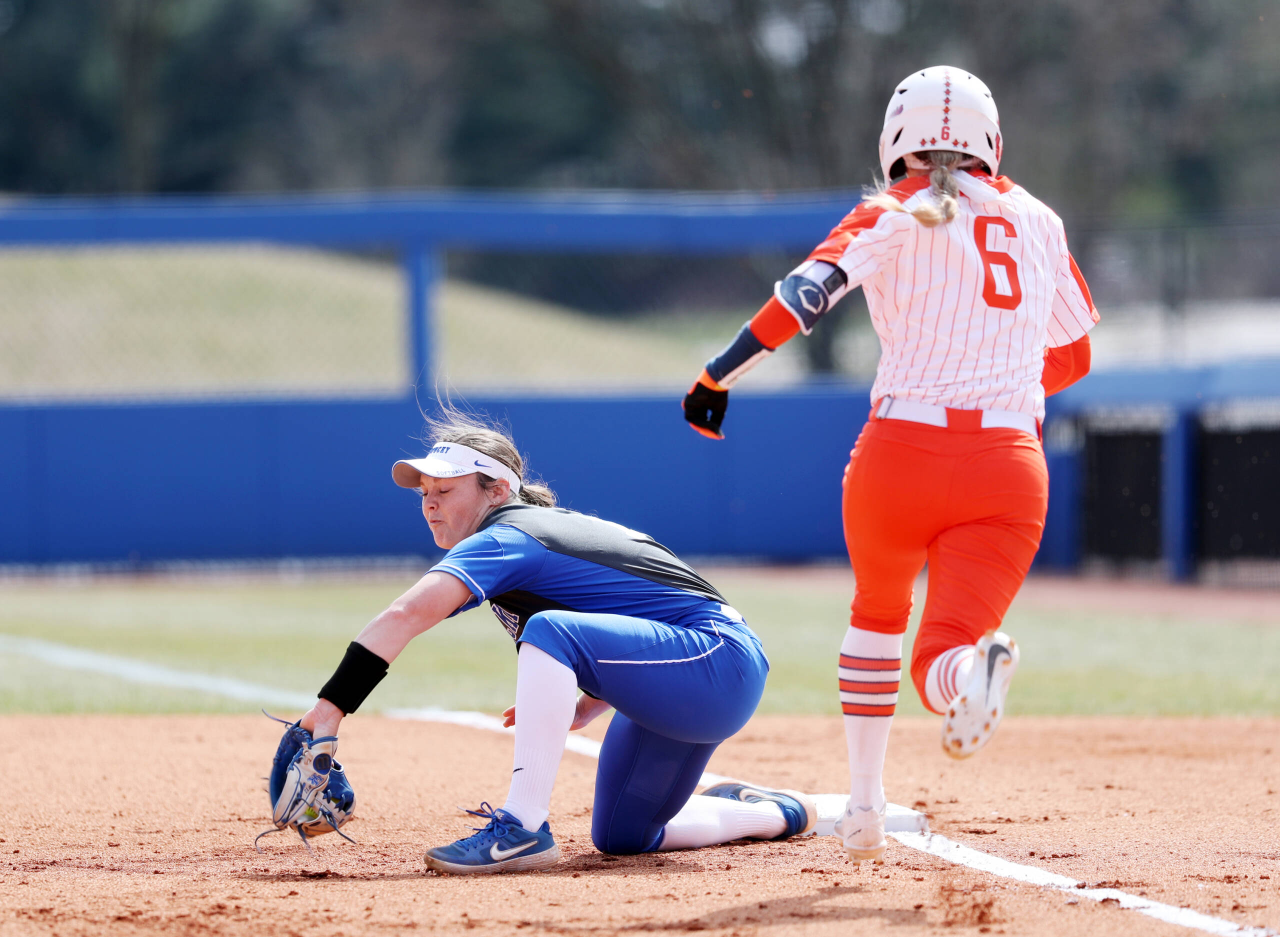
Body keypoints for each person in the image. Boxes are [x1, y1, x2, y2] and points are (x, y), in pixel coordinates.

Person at [682, 66, 1097, 865]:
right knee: (944, 644)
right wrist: (1005, 382)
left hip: (900, 453)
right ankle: (968, 672)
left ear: (893, 144)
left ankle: (865, 806)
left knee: (877, 612)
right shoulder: (1039, 220)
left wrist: (715, 377)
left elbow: (805, 295)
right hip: (1010, 463)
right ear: (994, 143)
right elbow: (1074, 349)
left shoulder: (892, 212)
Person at [296, 412, 816, 874]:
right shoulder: (528, 531)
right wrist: (599, 693)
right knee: (623, 836)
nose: (430, 505)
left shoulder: (509, 534)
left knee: (548, 630)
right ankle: (776, 812)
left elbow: (406, 613)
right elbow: (640, 604)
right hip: (689, 676)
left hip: (716, 660)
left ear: (497, 489)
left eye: (446, 490)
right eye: (424, 493)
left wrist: (329, 708)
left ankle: (522, 827)